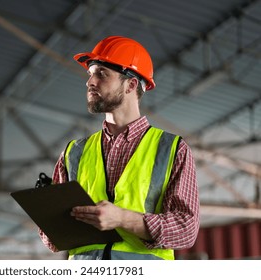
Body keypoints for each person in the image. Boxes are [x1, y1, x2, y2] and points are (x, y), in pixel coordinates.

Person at [39, 35, 200, 260]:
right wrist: (47, 213)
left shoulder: (172, 149)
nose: (90, 82)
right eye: (90, 74)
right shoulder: (73, 152)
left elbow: (186, 230)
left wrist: (122, 219)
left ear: (131, 84)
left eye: (102, 74)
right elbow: (51, 240)